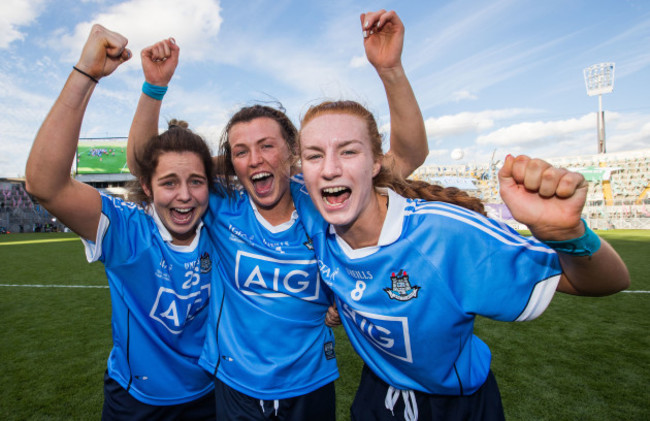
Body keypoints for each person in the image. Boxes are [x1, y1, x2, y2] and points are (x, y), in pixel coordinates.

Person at [127, 9, 427, 420]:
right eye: (241, 151)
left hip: (311, 383)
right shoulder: (221, 204)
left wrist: (390, 69)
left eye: (267, 145)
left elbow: (408, 155)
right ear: (230, 160)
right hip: (234, 384)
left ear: (292, 150)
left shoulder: (324, 197)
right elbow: (150, 164)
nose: (255, 160)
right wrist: (154, 88)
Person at [292, 99, 631, 421]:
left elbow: (608, 282)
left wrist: (567, 235)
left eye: (349, 151)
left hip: (454, 406)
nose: (330, 169)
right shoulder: (315, 218)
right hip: (376, 397)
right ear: (302, 169)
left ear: (377, 162)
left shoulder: (445, 233)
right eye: (314, 156)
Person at [24, 25, 219, 420]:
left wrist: (154, 89)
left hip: (214, 396)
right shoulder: (128, 230)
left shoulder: (222, 223)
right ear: (147, 187)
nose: (184, 195)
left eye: (196, 182)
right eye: (169, 182)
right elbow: (44, 184)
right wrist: (86, 72)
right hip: (135, 403)